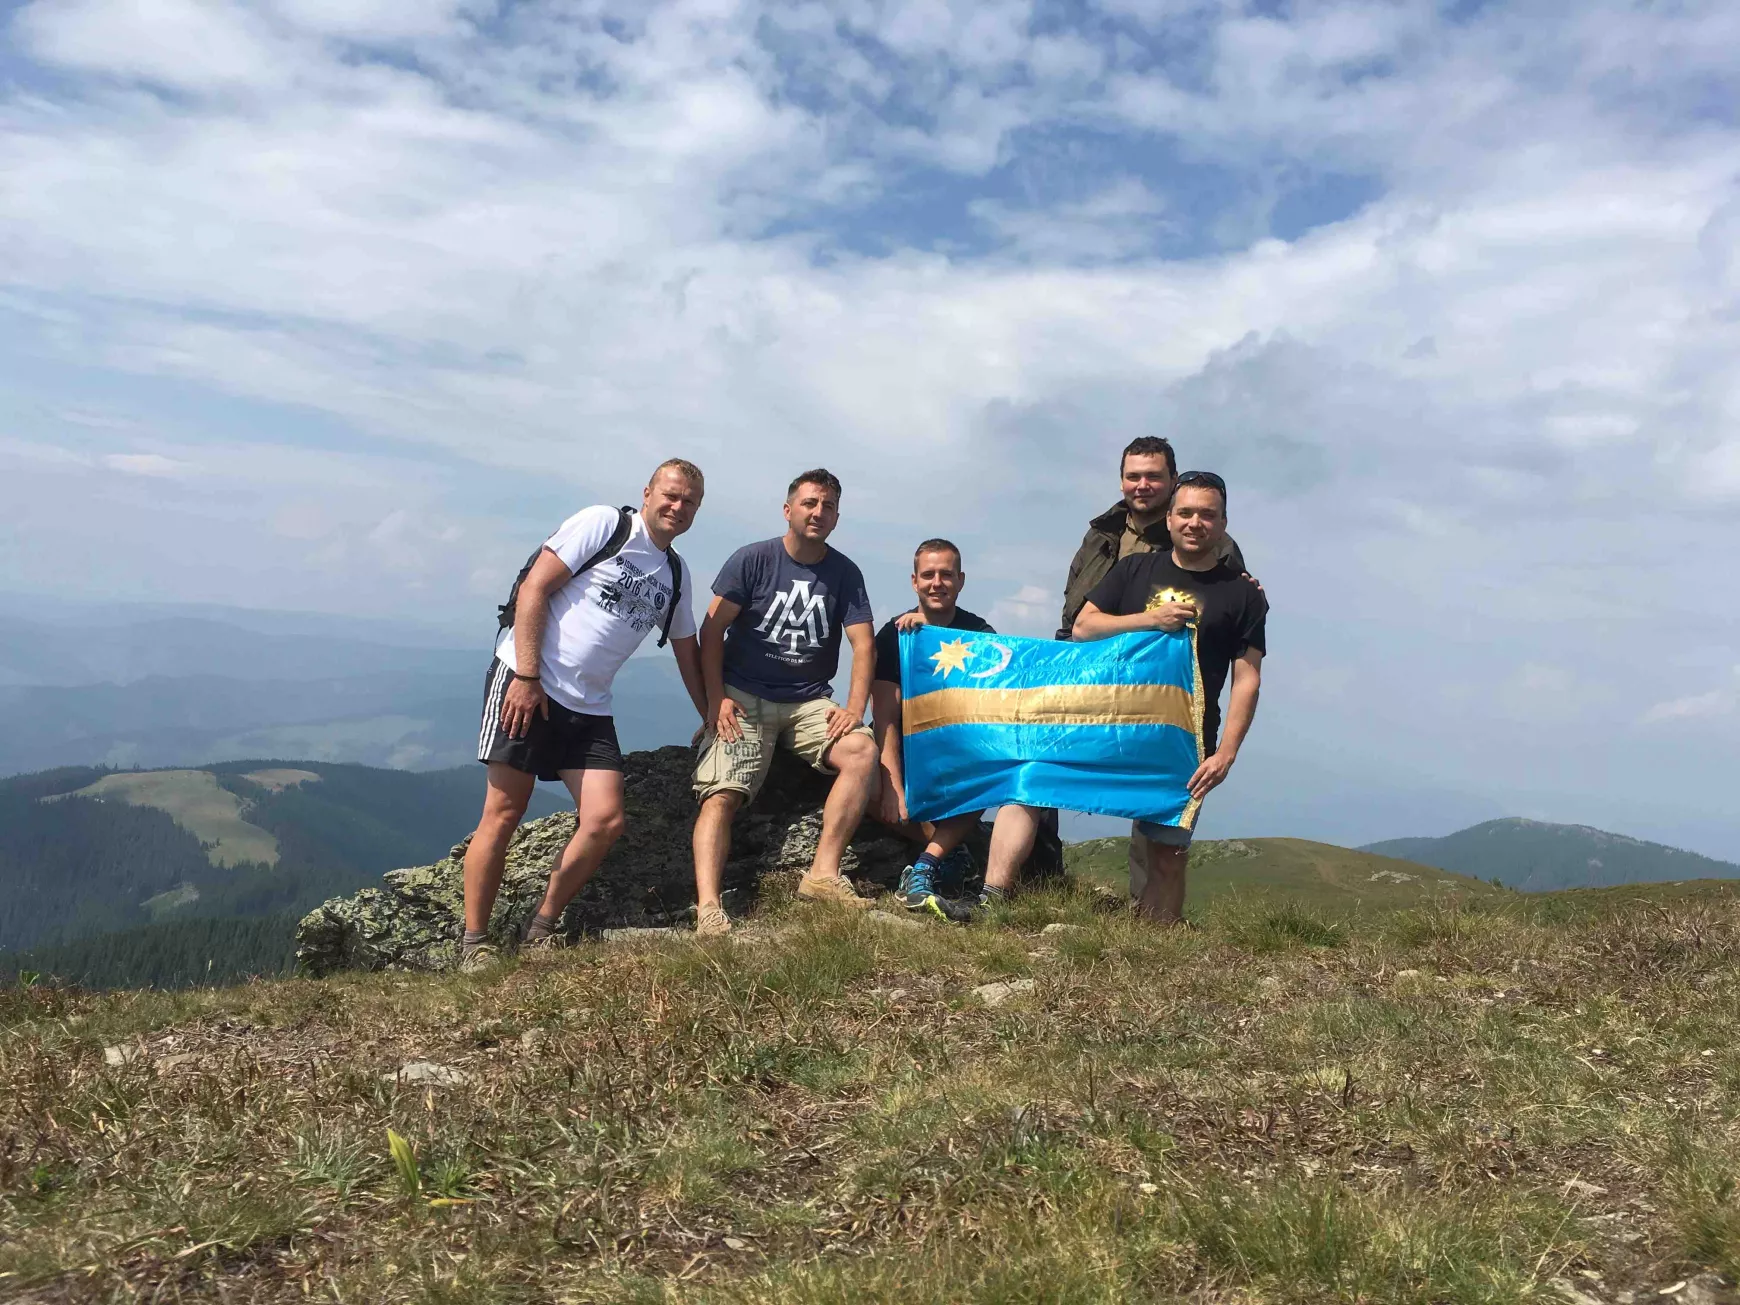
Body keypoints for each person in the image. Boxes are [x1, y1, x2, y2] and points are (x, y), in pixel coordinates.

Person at [459, 459, 708, 972]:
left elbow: (688, 650)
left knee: (605, 819)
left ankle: (540, 928)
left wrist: (712, 715)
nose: (676, 507)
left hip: (590, 704)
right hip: (528, 681)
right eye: (670, 494)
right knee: (504, 812)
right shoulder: (605, 525)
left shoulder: (676, 574)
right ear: (647, 492)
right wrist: (526, 678)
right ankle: (474, 943)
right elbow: (534, 588)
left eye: (688, 502)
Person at [1055, 435, 1249, 904]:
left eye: (1153, 476)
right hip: (1091, 680)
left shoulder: (1208, 542)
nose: (1142, 485)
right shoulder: (1102, 531)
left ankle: (1149, 925)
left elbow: (1230, 610)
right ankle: (1032, 883)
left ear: (1171, 483)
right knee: (1044, 779)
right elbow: (1077, 613)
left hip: (1166, 705)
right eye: (1133, 476)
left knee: (1157, 826)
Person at [690, 469, 878, 936]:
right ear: (788, 508)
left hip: (808, 700)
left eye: (828, 506)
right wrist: (716, 701)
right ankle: (709, 908)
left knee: (861, 750)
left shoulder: (844, 572)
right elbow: (711, 632)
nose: (819, 512)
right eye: (810, 503)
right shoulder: (753, 559)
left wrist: (854, 707)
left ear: (836, 517)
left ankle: (822, 875)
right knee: (722, 793)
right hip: (744, 695)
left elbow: (864, 643)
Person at [869, 539, 994, 918]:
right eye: (928, 575)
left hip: (957, 747)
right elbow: (885, 715)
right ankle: (952, 853)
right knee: (865, 785)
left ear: (961, 580)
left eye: (946, 574)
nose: (937, 583)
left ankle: (926, 864)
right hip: (906, 746)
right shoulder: (894, 635)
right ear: (914, 581)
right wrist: (892, 786)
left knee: (994, 770)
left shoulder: (981, 633)